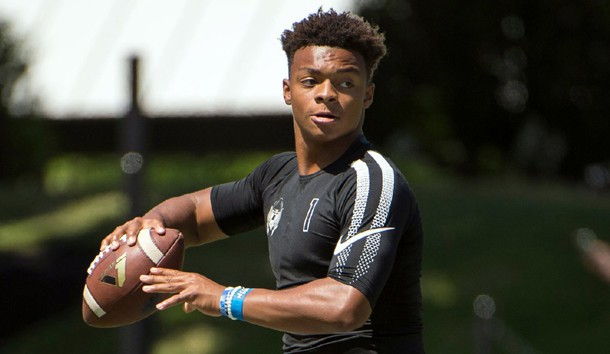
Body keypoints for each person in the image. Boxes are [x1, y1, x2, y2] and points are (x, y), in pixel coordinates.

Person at [101, 8, 424, 354]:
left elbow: (344, 306)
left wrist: (225, 298)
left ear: (368, 95)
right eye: (311, 80)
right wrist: (154, 222)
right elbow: (195, 214)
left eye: (346, 82)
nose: (327, 93)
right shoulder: (276, 176)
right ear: (288, 90)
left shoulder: (372, 182)